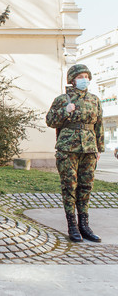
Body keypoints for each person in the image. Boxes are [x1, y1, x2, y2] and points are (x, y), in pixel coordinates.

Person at [46, 64, 104, 242]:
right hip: (67, 149)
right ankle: (72, 225)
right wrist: (65, 111)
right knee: (70, 186)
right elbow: (50, 121)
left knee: (85, 187)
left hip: (89, 149)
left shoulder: (94, 100)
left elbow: (99, 125)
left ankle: (84, 225)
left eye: (86, 76)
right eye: (80, 76)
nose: (84, 79)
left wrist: (99, 148)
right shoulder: (63, 99)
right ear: (72, 79)